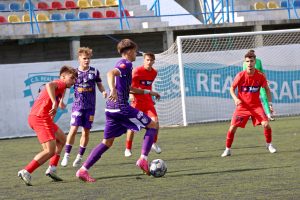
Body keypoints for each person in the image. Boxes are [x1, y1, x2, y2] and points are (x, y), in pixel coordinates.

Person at [75, 39, 160, 182]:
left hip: (111, 109)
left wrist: (149, 93)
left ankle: (83, 170)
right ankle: (143, 159)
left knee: (106, 142)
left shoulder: (125, 66)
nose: (136, 54)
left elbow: (129, 88)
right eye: (134, 51)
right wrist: (113, 90)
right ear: (128, 52)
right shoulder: (125, 63)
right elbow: (110, 73)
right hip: (121, 107)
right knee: (152, 125)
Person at [18, 66, 77, 186]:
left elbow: (56, 92)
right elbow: (49, 85)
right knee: (49, 150)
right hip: (40, 118)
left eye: (75, 79)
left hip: (40, 118)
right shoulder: (60, 83)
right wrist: (55, 102)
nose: (74, 81)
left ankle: (52, 168)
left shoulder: (63, 87)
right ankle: (26, 171)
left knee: (62, 139)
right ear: (62, 77)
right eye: (72, 78)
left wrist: (59, 102)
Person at [221, 51, 277, 157]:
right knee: (232, 128)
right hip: (242, 106)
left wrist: (270, 104)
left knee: (266, 125)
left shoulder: (260, 76)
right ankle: (227, 149)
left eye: (251, 61)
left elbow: (267, 89)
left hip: (256, 106)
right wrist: (235, 99)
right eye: (247, 61)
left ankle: (269, 144)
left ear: (255, 62)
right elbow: (232, 88)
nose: (249, 63)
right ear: (245, 62)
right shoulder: (240, 75)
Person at [61, 47, 107, 168]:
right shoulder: (74, 73)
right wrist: (61, 100)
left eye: (88, 58)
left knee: (86, 132)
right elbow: (65, 87)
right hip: (78, 106)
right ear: (79, 59)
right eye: (84, 58)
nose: (86, 60)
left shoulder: (94, 71)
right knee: (73, 129)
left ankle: (79, 156)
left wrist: (103, 92)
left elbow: (100, 85)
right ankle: (66, 155)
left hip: (90, 107)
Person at [124, 52, 161, 157]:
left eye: (151, 60)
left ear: (154, 61)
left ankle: (153, 143)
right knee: (133, 127)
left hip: (148, 102)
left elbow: (148, 87)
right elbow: (129, 86)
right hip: (137, 102)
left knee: (156, 123)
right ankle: (128, 148)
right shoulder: (136, 71)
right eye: (147, 60)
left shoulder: (154, 72)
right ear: (144, 60)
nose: (149, 62)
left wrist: (151, 97)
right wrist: (131, 96)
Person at [243, 49, 274, 121]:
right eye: (250, 54)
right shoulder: (245, 63)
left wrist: (265, 80)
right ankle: (250, 114)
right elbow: (244, 73)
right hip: (251, 84)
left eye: (253, 54)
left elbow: (262, 71)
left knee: (264, 97)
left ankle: (269, 115)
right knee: (250, 99)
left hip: (259, 82)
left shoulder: (259, 61)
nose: (251, 56)